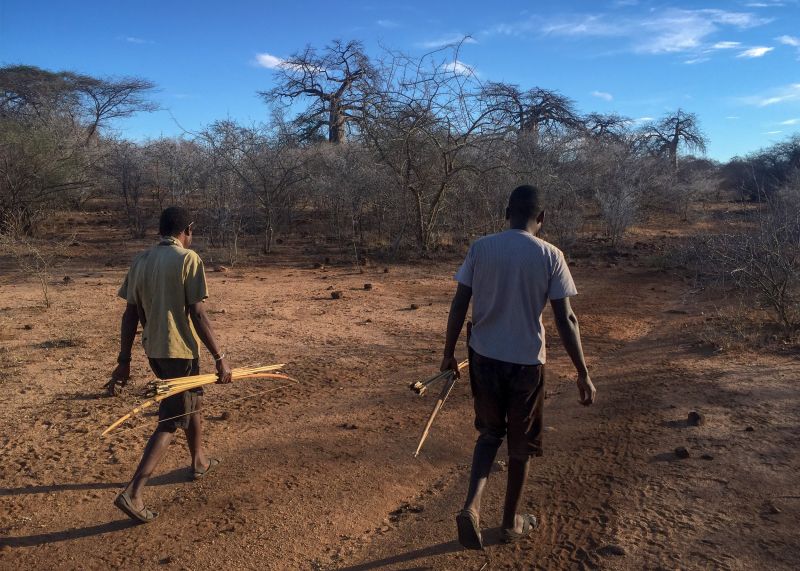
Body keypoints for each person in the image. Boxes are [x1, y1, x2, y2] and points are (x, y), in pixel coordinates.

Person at [440, 184, 596, 549]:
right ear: (541, 217)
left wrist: (448, 352)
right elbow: (566, 319)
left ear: (505, 211)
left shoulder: (481, 248)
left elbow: (459, 302)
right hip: (526, 363)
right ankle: (510, 522)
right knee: (521, 445)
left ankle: (471, 507)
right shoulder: (551, 255)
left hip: (484, 358)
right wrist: (582, 372)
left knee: (489, 433)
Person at [108, 206, 232, 523]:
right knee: (170, 419)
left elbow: (130, 315)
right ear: (186, 230)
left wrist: (124, 361)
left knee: (193, 403)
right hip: (180, 352)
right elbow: (198, 314)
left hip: (155, 352)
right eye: (192, 231)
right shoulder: (188, 260)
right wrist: (220, 358)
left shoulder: (141, 260)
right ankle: (133, 493)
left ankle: (199, 460)